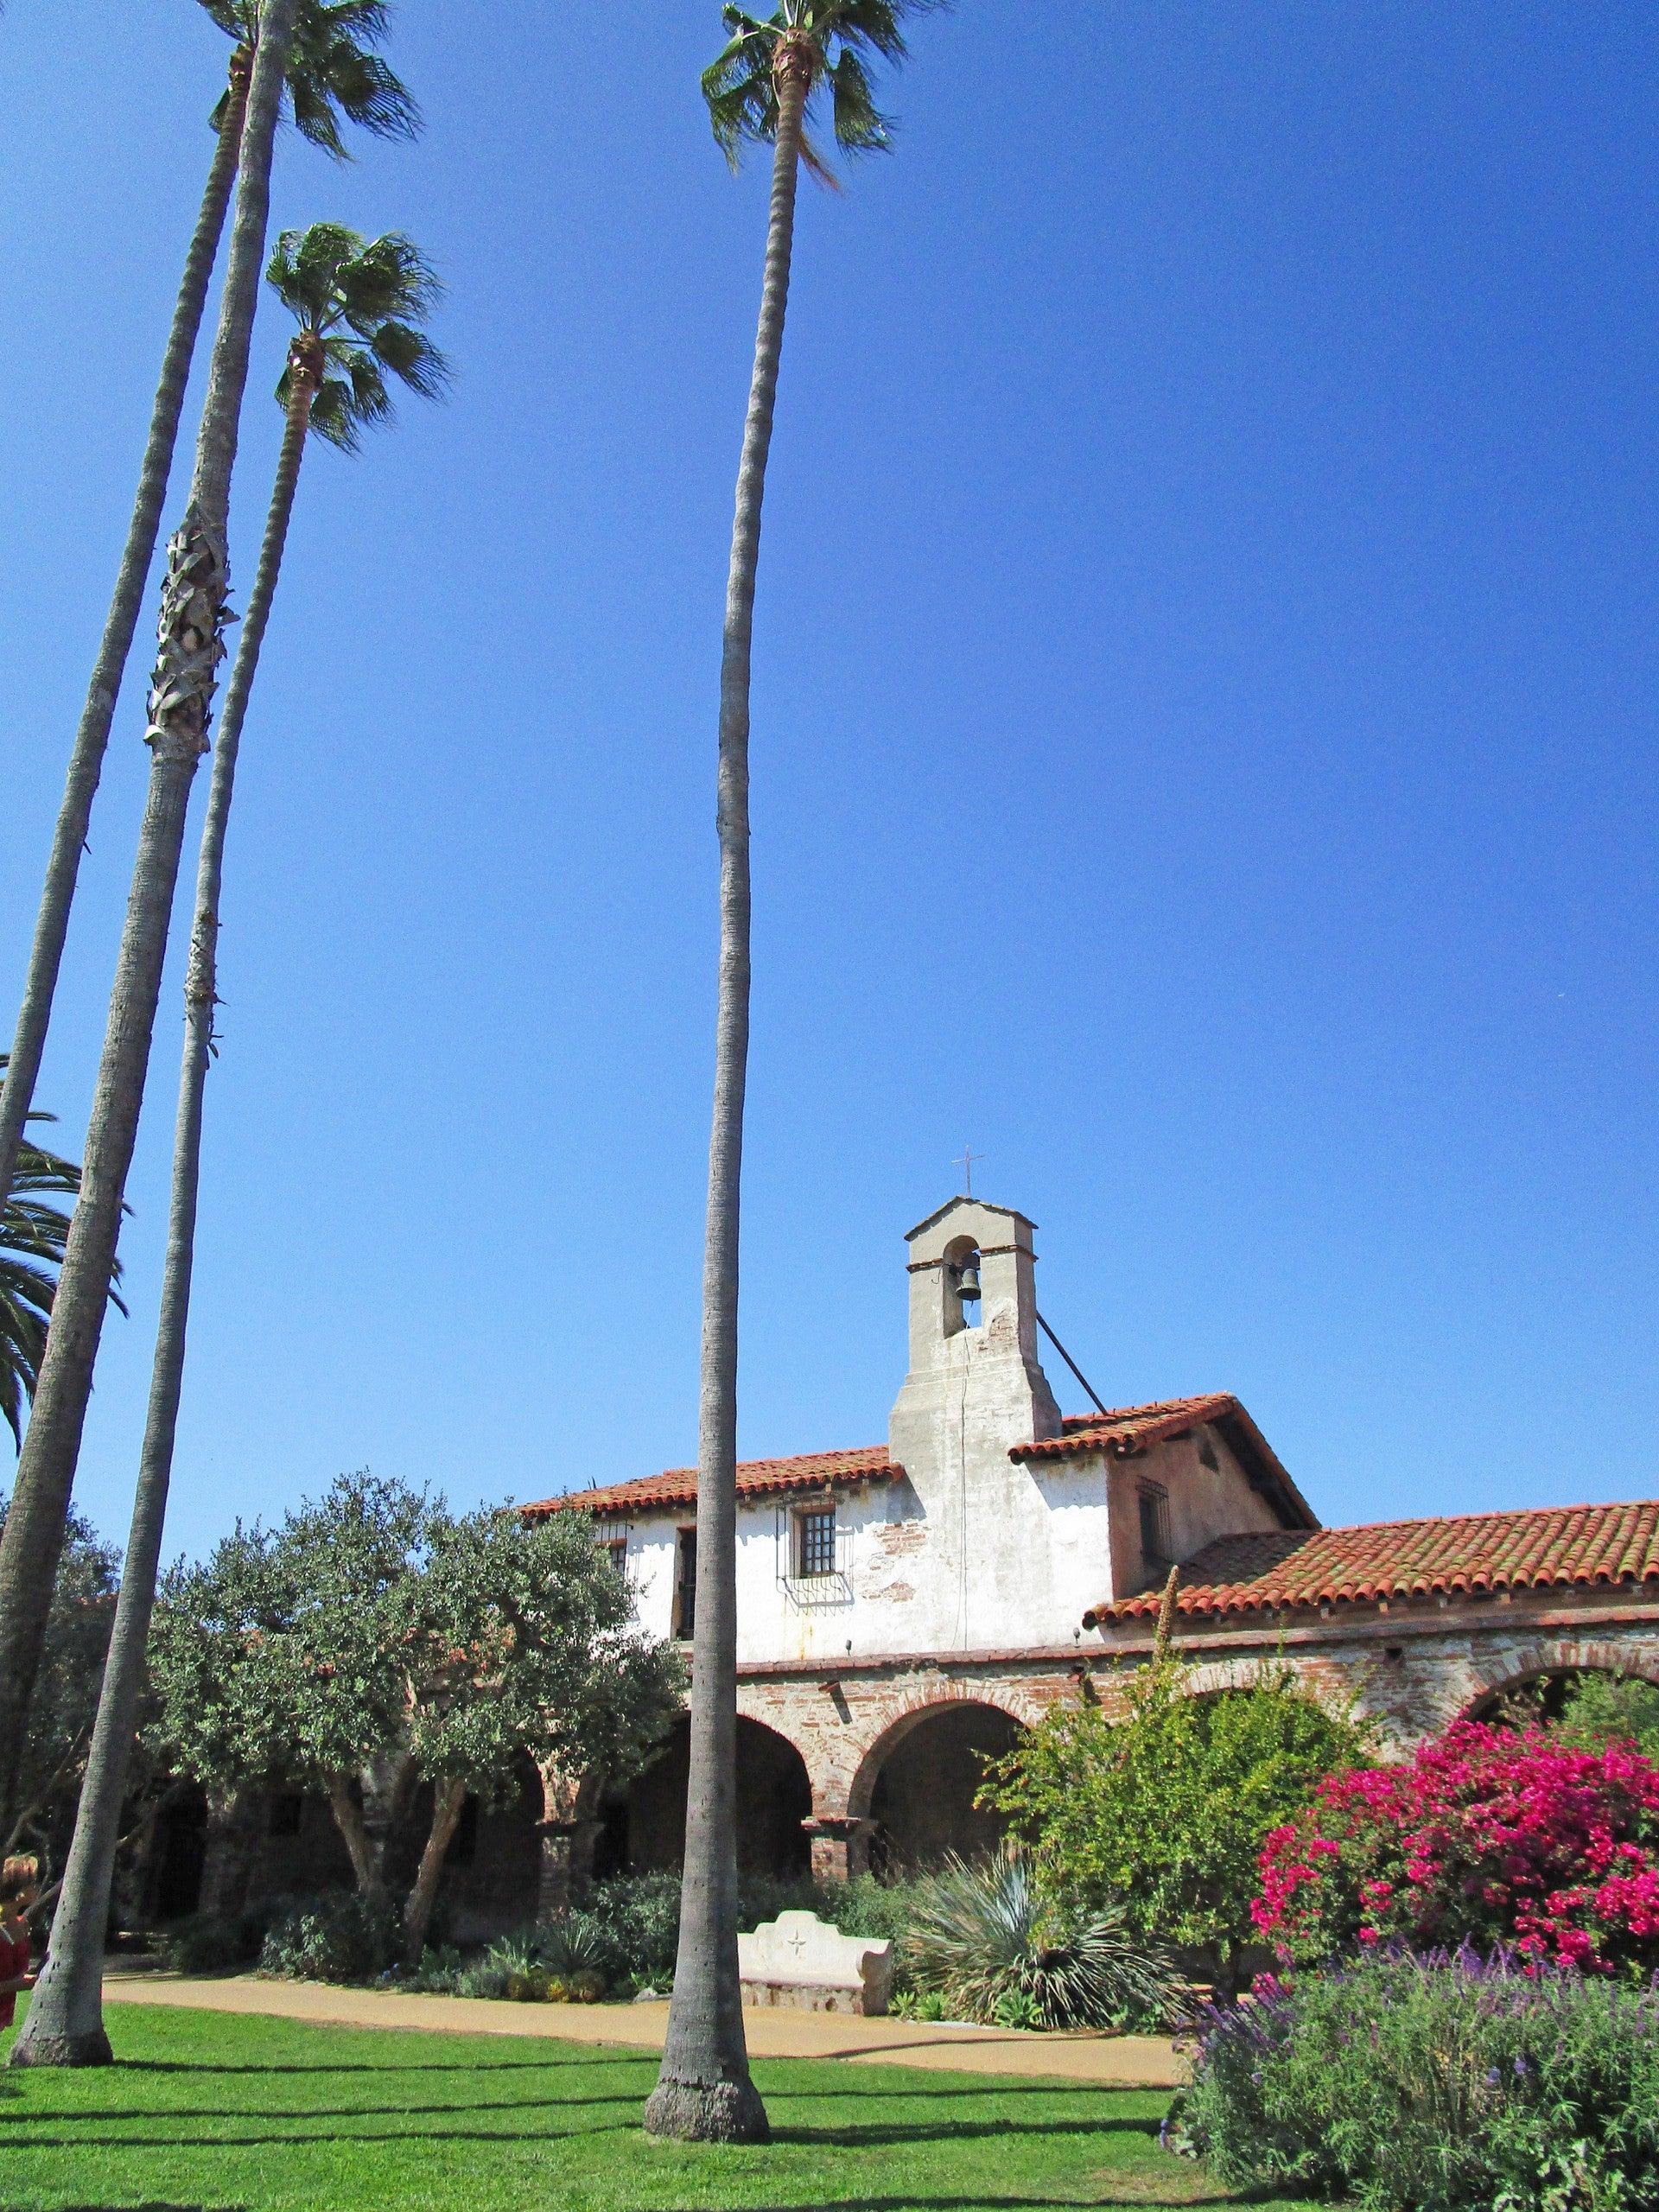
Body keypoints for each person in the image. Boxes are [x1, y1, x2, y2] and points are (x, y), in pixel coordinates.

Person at [0, 1855, 39, 2030]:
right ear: (18, 1890)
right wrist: (17, 1984)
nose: (36, 1887)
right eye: (32, 1883)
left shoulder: (21, 1924)